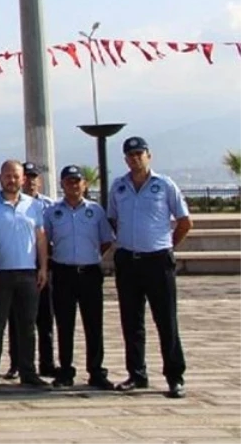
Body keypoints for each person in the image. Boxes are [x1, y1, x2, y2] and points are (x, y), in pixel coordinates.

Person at [107, 136, 192, 399]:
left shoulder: (164, 185)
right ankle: (137, 373)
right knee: (131, 322)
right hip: (128, 261)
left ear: (148, 155)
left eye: (139, 154)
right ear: (125, 159)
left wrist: (167, 246)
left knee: (166, 320)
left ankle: (175, 376)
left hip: (157, 261)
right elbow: (112, 220)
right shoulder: (118, 187)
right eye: (130, 155)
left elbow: (184, 221)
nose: (135, 158)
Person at [0, 160, 49, 391]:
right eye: (7, 176)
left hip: (28, 273)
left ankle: (28, 372)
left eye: (16, 176)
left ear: (23, 179)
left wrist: (43, 268)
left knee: (27, 326)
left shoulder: (34, 206)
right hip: (1, 274)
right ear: (0, 178)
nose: (12, 180)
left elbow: (40, 238)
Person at [44, 165, 115, 390]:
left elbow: (106, 240)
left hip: (89, 272)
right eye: (68, 181)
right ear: (62, 184)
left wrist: (90, 256)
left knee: (93, 324)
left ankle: (96, 371)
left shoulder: (95, 211)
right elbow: (45, 241)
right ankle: (65, 371)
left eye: (77, 181)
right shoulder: (53, 212)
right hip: (63, 272)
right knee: (64, 325)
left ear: (84, 184)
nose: (73, 185)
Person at [16, 161, 56, 379]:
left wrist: (44, 265)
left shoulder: (49, 206)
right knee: (18, 320)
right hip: (21, 268)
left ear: (39, 181)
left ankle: (47, 362)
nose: (30, 181)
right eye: (27, 177)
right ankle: (17, 363)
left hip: (43, 268)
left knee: (45, 319)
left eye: (34, 177)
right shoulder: (18, 204)